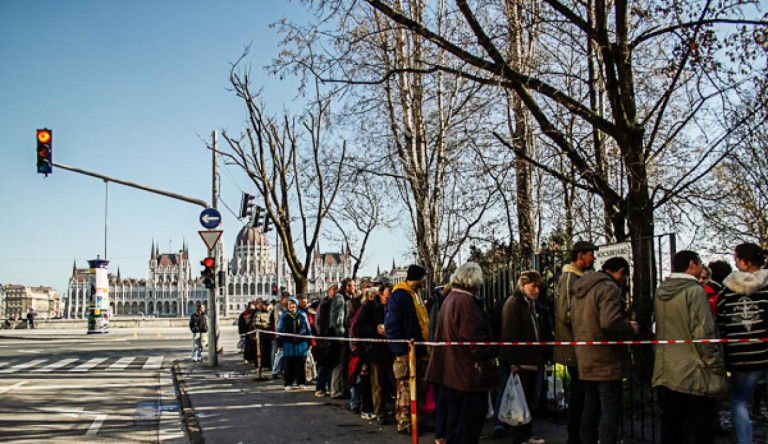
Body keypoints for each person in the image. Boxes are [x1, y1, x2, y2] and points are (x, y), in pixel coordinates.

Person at [653, 250, 727, 444]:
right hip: (693, 371)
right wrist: (715, 363)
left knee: (671, 427)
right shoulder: (694, 291)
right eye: (701, 264)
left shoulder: (661, 291)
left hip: (666, 370)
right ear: (692, 264)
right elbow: (704, 332)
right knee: (699, 430)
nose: (703, 269)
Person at [571, 257, 639, 444]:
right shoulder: (608, 288)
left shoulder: (581, 289)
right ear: (619, 272)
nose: (624, 281)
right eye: (624, 276)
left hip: (586, 357)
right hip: (606, 360)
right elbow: (610, 322)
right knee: (610, 410)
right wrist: (630, 329)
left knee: (590, 408)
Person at [426, 262, 496, 444]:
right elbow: (475, 341)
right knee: (467, 427)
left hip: (453, 370)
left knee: (455, 425)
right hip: (467, 373)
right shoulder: (466, 303)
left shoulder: (450, 299)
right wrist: (489, 368)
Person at [716, 243, 768, 444]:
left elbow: (721, 322)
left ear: (744, 261)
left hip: (741, 355)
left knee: (739, 402)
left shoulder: (726, 292)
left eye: (736, 258)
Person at [495, 271, 548, 443]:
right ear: (523, 285)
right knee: (520, 400)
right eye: (533, 286)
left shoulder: (529, 303)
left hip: (532, 360)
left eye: (538, 287)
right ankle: (520, 436)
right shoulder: (514, 304)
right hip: (521, 362)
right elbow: (509, 334)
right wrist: (513, 362)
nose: (536, 290)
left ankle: (526, 434)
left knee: (529, 399)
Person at [553, 240, 597, 444]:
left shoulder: (578, 277)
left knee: (584, 394)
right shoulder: (570, 278)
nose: (593, 258)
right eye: (590, 254)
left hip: (581, 346)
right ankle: (575, 435)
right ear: (580, 256)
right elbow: (566, 313)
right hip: (575, 347)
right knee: (580, 395)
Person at [385, 264, 430, 435]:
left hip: (417, 348)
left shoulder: (414, 295)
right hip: (406, 351)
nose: (424, 280)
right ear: (418, 278)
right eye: (423, 277)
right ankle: (405, 422)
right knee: (405, 388)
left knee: (418, 387)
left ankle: (415, 420)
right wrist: (400, 348)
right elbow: (393, 324)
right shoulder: (401, 296)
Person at [354, 285, 395, 424]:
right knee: (377, 385)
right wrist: (375, 329)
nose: (388, 300)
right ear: (380, 295)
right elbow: (358, 328)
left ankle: (392, 410)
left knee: (391, 384)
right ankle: (380, 413)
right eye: (386, 297)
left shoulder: (393, 307)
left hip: (391, 351)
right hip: (375, 351)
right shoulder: (369, 307)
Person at [277, 297, 313, 391]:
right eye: (290, 304)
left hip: (301, 344)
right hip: (288, 344)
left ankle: (301, 382)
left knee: (301, 364)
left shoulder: (303, 315)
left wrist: (310, 342)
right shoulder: (284, 316)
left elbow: (308, 329)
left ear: (296, 305)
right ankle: (288, 383)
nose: (292, 306)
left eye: (293, 304)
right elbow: (279, 330)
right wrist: (279, 343)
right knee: (288, 364)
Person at [330, 278, 355, 399]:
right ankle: (336, 390)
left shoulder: (344, 297)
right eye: (353, 286)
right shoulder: (340, 298)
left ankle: (342, 388)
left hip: (343, 334)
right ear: (347, 286)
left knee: (344, 363)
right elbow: (339, 317)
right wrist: (340, 334)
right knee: (339, 363)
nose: (354, 288)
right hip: (341, 335)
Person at [314, 284, 339, 397]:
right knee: (323, 364)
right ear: (329, 291)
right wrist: (322, 334)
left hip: (334, 337)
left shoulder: (337, 303)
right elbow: (317, 321)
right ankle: (320, 387)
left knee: (332, 364)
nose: (335, 291)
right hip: (325, 338)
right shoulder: (323, 304)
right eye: (334, 289)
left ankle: (329, 386)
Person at [270, 292, 289, 378]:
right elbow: (279, 318)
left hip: (288, 332)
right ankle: (275, 371)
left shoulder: (288, 306)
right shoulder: (278, 307)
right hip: (281, 332)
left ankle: (285, 369)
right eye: (287, 299)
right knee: (279, 353)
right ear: (283, 299)